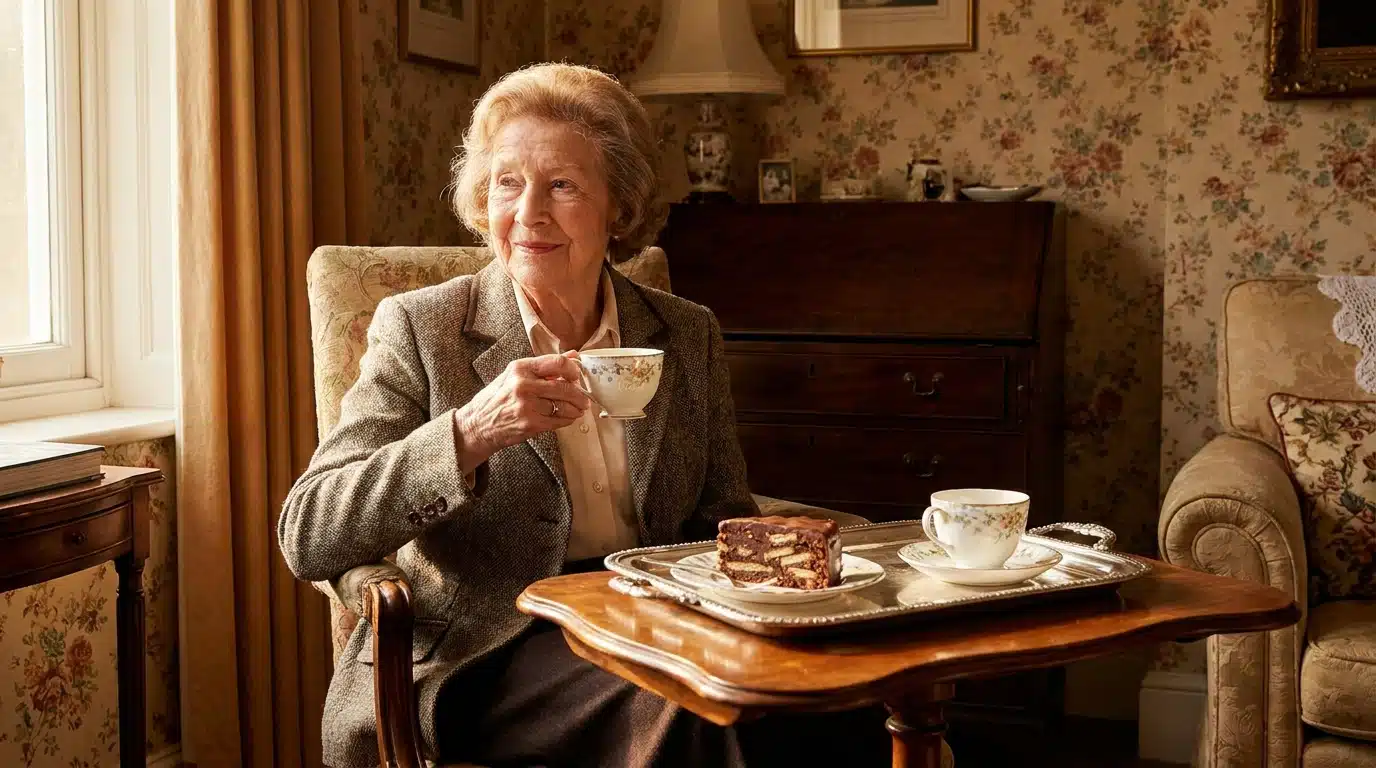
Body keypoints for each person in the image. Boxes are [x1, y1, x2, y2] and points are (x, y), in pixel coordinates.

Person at [278, 62, 769, 768]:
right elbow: (309, 530)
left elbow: (723, 514)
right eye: (507, 181)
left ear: (619, 207)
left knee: (821, 705)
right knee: (696, 710)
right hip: (489, 653)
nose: (528, 212)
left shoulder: (685, 334)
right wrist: (469, 433)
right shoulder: (424, 329)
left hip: (656, 627)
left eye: (563, 185)